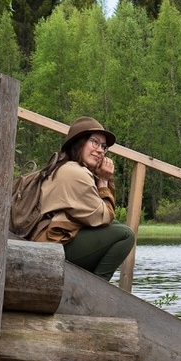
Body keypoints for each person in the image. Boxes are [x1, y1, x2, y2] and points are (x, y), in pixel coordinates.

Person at [33, 116, 135, 282]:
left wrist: (102, 179)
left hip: (50, 240)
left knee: (116, 227)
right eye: (94, 142)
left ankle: (90, 285)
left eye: (103, 146)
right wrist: (104, 181)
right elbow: (105, 216)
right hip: (51, 246)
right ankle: (96, 288)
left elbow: (102, 219)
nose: (100, 150)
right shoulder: (76, 173)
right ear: (79, 142)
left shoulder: (65, 166)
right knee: (125, 235)